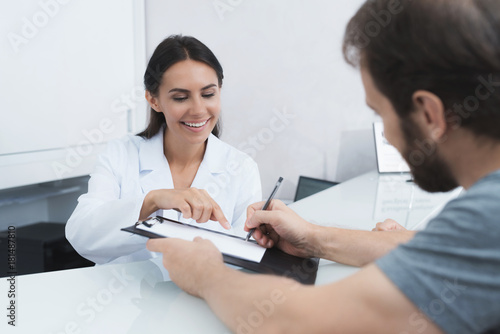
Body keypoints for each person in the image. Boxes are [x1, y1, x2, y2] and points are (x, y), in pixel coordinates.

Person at [146, 1, 500, 333]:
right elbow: (438, 250)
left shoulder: (487, 216)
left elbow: (300, 322)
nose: (388, 138)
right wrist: (312, 238)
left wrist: (204, 274)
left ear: (429, 115)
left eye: (380, 113)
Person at [66, 35, 262, 265]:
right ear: (154, 100)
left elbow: (245, 258)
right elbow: (81, 234)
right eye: (180, 97)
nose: (198, 110)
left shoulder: (240, 167)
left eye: (208, 94)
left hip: (202, 299)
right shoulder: (121, 154)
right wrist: (151, 202)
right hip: (125, 298)